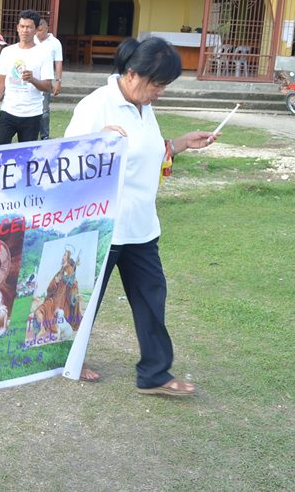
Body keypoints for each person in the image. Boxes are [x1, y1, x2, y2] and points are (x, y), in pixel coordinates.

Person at [65, 36, 218, 396]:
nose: (160, 92)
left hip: (141, 226)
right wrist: (96, 143)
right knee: (83, 298)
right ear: (132, 74)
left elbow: (147, 153)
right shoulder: (96, 106)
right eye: (157, 84)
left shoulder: (143, 107)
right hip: (103, 226)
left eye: (164, 86)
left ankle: (154, 374)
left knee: (152, 296)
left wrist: (180, 144)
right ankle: (68, 359)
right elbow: (66, 161)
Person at [0, 10, 52, 145]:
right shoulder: (7, 52)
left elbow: (47, 86)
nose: (25, 30)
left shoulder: (44, 54)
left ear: (36, 29)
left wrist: (33, 79)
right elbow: (0, 82)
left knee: (26, 156)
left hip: (32, 114)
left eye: (29, 27)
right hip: (8, 111)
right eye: (22, 26)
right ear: (17, 28)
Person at [37, 18, 64, 140]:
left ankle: (44, 136)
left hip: (45, 81)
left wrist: (58, 81)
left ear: (47, 28)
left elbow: (58, 62)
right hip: (30, 79)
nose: (38, 33)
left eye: (41, 30)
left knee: (44, 109)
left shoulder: (55, 43)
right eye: (36, 30)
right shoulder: (31, 40)